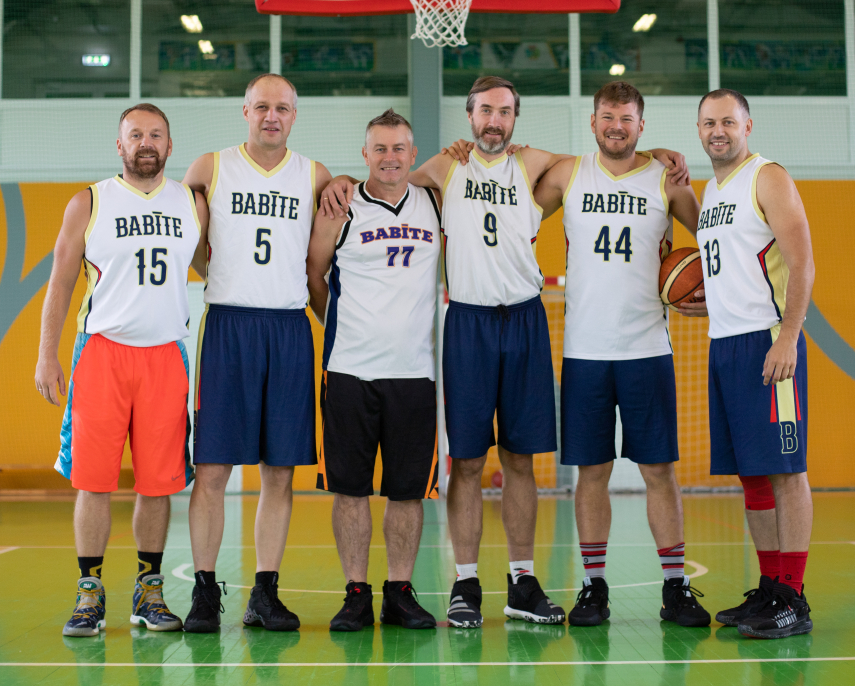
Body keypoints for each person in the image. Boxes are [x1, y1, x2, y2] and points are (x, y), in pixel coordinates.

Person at [321, 76, 689, 628]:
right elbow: (385, 179)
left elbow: (611, 159)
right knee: (465, 463)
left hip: (524, 321)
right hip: (466, 323)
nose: (494, 121)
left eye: (504, 112)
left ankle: (522, 580)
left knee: (521, 460)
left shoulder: (539, 165)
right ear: (469, 117)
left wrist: (656, 153)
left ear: (516, 119)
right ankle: (465, 582)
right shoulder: (444, 170)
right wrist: (345, 179)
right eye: (485, 111)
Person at [531, 80, 710, 628]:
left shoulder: (668, 180)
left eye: (627, 118)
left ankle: (675, 588)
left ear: (641, 124)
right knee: (592, 472)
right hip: (585, 351)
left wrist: (703, 292)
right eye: (607, 116)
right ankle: (593, 587)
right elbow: (514, 212)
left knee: (658, 471)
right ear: (593, 122)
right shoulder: (568, 173)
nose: (616, 125)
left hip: (647, 349)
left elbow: (714, 244)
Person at [36, 103, 209, 637]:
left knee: (158, 485)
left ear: (170, 145)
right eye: (135, 134)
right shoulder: (89, 201)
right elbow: (61, 282)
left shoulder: (191, 202)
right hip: (103, 353)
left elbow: (221, 266)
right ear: (119, 145)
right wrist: (47, 353)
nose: (145, 142)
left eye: (155, 134)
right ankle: (89, 593)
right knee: (93, 482)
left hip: (165, 354)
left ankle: (148, 590)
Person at [180, 73, 339, 633]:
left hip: (290, 329)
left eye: (283, 108)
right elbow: (187, 245)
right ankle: (203, 593)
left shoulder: (315, 175)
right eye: (263, 106)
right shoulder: (209, 167)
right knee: (213, 469)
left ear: (295, 116)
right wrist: (221, 274)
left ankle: (264, 594)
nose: (272, 116)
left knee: (280, 472)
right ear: (245, 111)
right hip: (228, 326)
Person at [677, 88, 815, 639]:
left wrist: (788, 337)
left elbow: (803, 261)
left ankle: (795, 598)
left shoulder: (768, 176)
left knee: (786, 470)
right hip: (725, 342)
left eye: (728, 122)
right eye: (709, 122)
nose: (718, 131)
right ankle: (769, 586)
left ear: (747, 126)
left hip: (767, 342)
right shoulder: (712, 189)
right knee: (753, 475)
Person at [306, 109, 443, 632]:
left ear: (413, 154)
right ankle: (357, 593)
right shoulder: (339, 209)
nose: (390, 157)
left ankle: (401, 592)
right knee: (351, 489)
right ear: (364, 155)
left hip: (414, 373)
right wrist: (347, 326)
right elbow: (315, 275)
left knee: (410, 491)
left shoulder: (434, 202)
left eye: (399, 148)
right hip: (348, 372)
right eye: (379, 149)